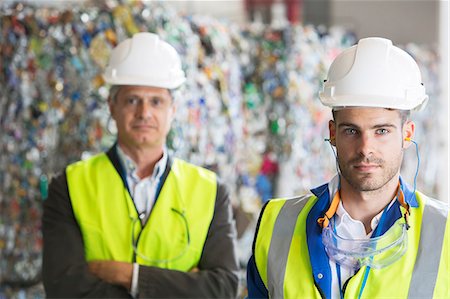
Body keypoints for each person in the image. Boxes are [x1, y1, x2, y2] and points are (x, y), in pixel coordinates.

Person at [246, 37, 449, 298]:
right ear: (333, 133)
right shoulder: (277, 223)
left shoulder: (444, 231)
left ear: (407, 134)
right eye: (352, 130)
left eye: (382, 131)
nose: (366, 148)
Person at [42, 32, 239, 298]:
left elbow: (222, 288)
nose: (144, 113)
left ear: (173, 109)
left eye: (156, 101)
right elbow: (64, 287)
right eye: (132, 100)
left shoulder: (211, 191)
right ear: (112, 106)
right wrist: (182, 287)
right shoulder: (69, 185)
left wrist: (129, 276)